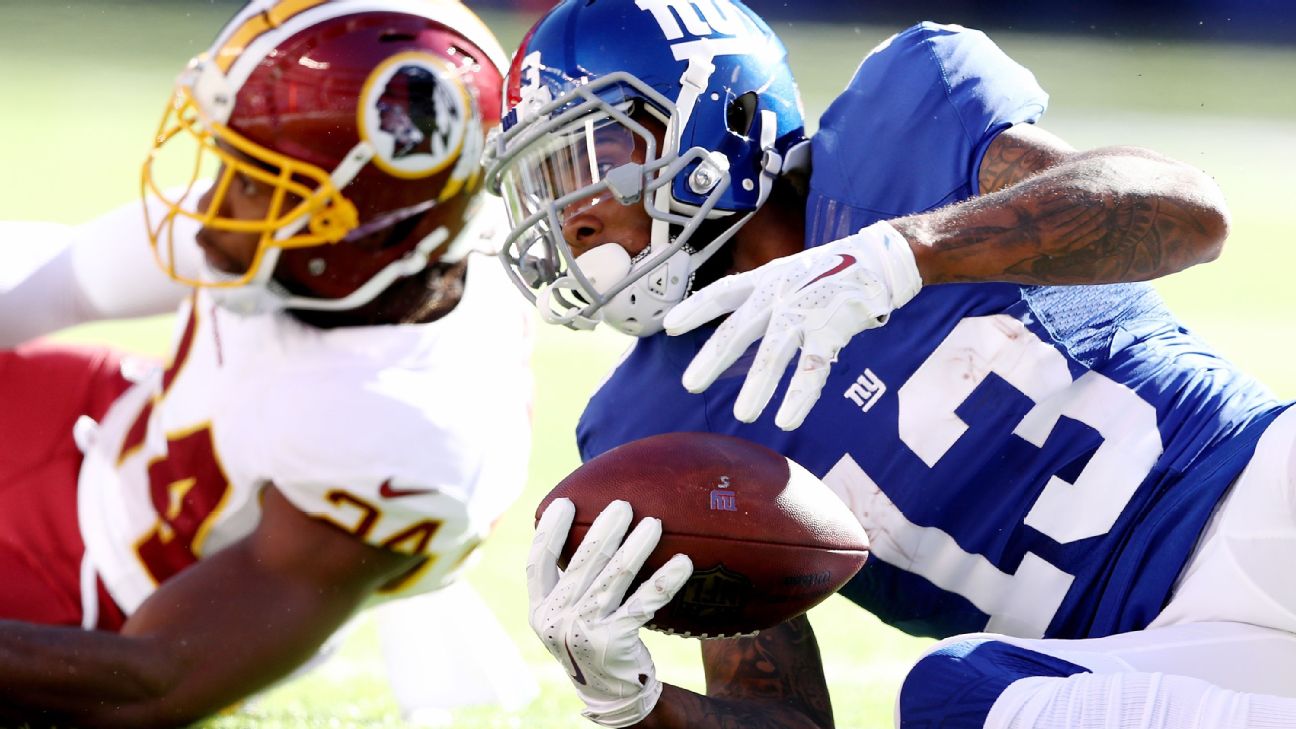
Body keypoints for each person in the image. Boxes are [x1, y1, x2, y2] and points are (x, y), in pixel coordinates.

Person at [484, 1, 1296, 727]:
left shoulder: (900, 135)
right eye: (545, 178)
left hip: (1255, 491)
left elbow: (1188, 212)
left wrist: (904, 254)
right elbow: (783, 716)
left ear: (717, 117)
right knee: (948, 699)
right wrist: (633, 700)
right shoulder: (658, 423)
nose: (572, 214)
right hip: (1159, 654)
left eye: (594, 154)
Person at [0, 0, 535, 725]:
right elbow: (65, 274)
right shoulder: (355, 238)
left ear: (372, 225)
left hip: (101, 588)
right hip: (109, 422)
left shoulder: (405, 427)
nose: (214, 203)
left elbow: (153, 681)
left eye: (251, 181)